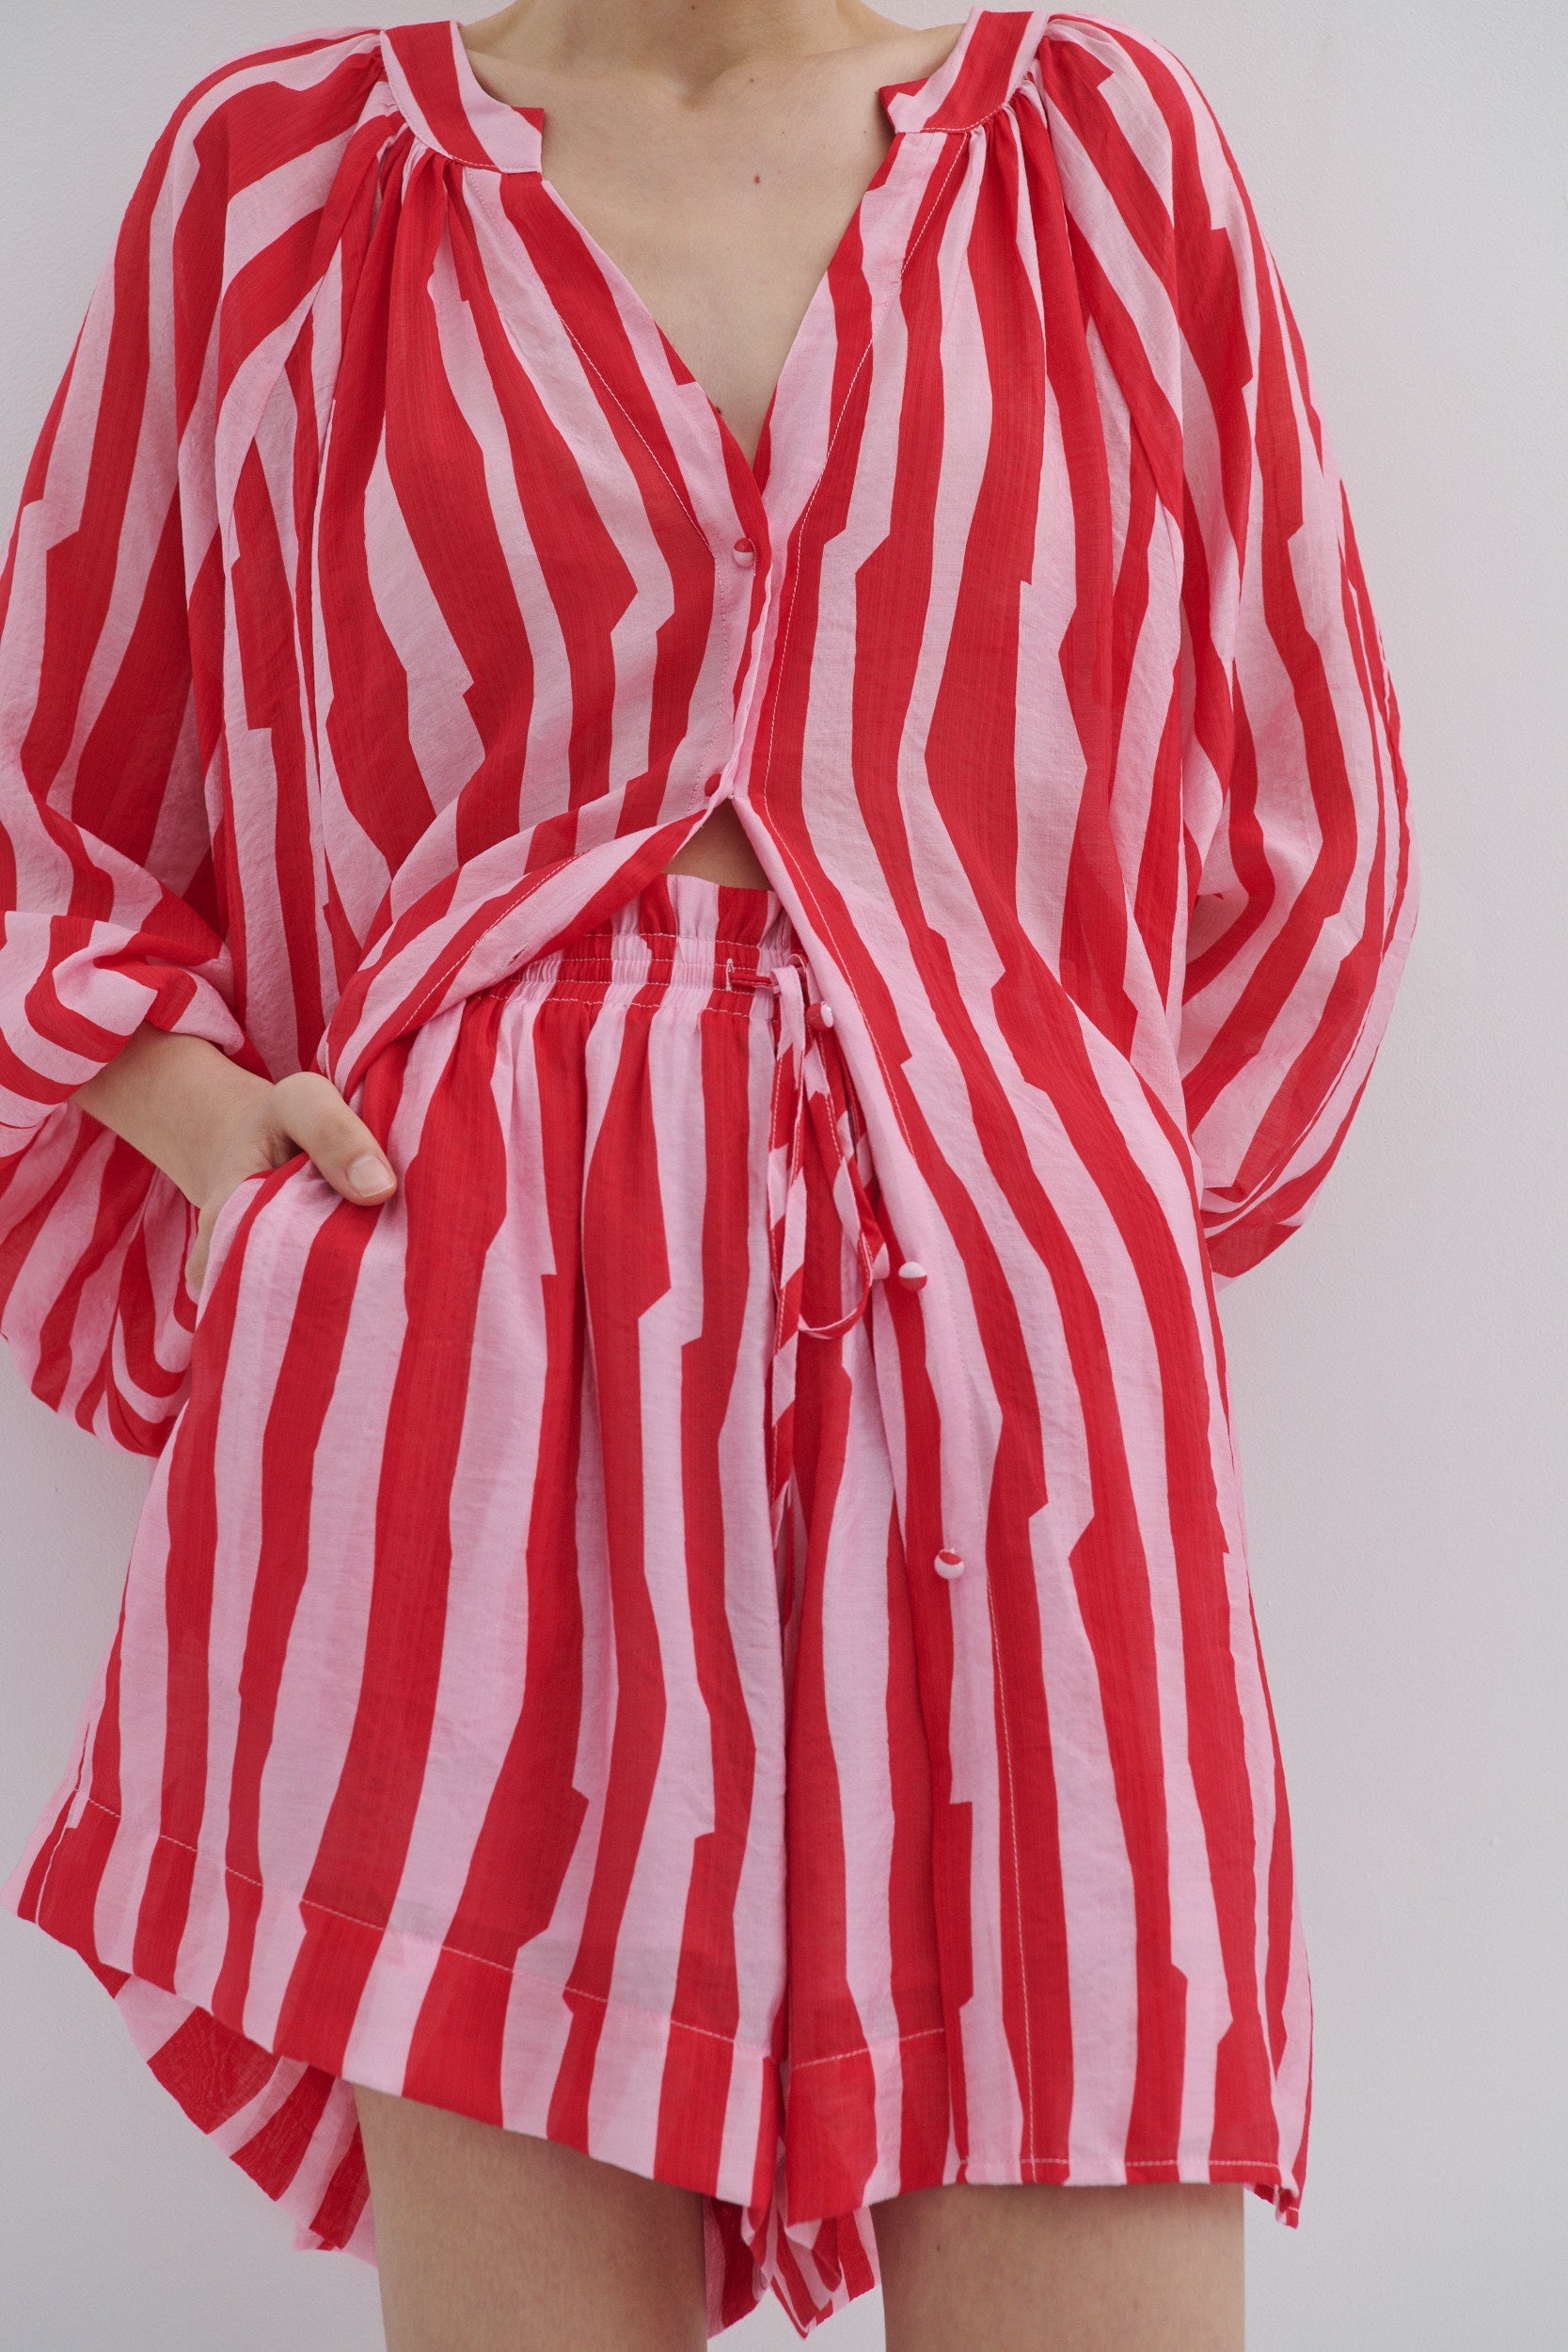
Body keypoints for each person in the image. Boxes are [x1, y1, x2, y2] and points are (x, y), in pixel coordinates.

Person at [0, 3, 1418, 2346]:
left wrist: (1076, 1206)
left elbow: (1311, 813)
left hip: (1028, 1405)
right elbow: (45, 782)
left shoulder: (1102, 152)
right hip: (456, 1379)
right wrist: (210, 1131)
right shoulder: (274, 179)